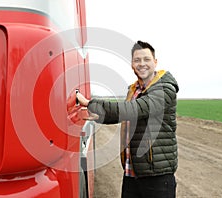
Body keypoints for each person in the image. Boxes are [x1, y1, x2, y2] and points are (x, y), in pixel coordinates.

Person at [76, 40, 179, 198]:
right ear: (132, 64)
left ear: (155, 62)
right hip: (132, 171)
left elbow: (135, 109)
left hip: (156, 175)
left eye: (146, 59)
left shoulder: (164, 89)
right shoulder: (134, 90)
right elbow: (127, 116)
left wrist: (91, 104)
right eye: (137, 60)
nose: (142, 64)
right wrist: (101, 116)